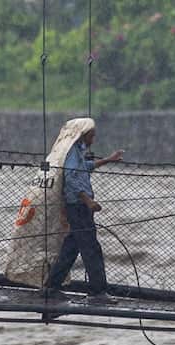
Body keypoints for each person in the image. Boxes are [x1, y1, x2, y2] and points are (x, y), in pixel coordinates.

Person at [46, 125, 124, 298]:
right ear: (83, 135)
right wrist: (87, 200)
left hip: (78, 207)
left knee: (71, 247)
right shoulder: (73, 152)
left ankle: (51, 286)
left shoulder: (77, 152)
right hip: (79, 206)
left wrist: (109, 159)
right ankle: (98, 292)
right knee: (91, 248)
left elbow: (85, 167)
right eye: (92, 136)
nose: (93, 140)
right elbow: (71, 177)